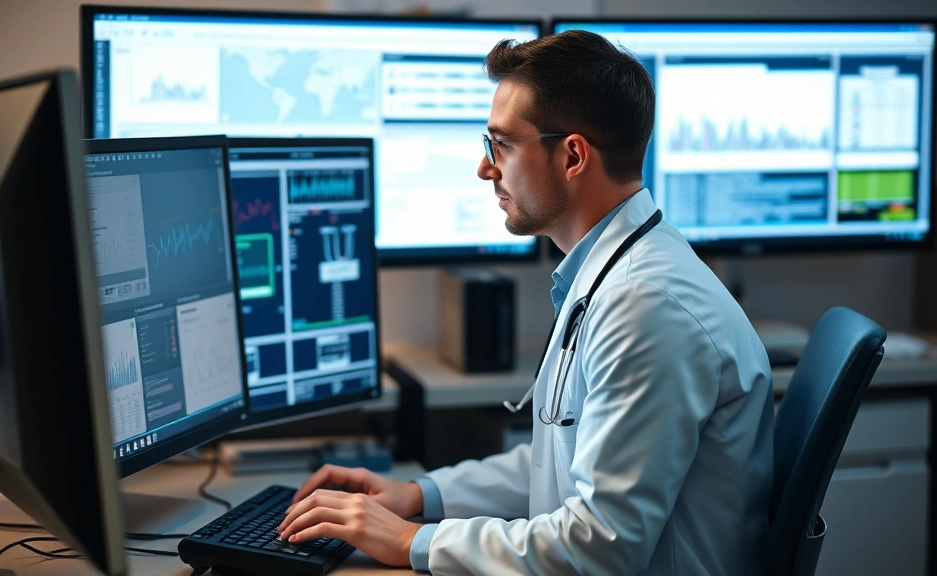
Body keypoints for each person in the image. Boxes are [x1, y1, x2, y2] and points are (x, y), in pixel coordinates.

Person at [278, 30, 774, 575]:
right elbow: (558, 461)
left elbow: (600, 546)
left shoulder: (644, 305)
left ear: (573, 156)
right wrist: (419, 496)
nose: (486, 168)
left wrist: (410, 542)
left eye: (501, 145)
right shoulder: (612, 273)